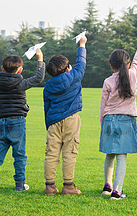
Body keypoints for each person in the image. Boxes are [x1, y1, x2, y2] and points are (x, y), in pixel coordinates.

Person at [0, 49, 45, 195]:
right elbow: (38, 78)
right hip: (17, 122)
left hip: (2, 122)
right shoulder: (20, 83)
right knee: (19, 155)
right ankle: (20, 185)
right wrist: (40, 59)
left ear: (2, 68)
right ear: (20, 70)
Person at [99, 30, 137, 200]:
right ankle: (117, 191)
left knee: (110, 153)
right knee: (122, 155)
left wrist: (103, 123)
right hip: (126, 120)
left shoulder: (107, 81)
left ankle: (107, 186)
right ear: (128, 64)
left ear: (111, 65)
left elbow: (103, 105)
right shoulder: (133, 75)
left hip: (109, 119)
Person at [43, 36, 87, 195]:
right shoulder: (75, 76)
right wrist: (82, 44)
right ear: (68, 67)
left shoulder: (48, 86)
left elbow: (46, 106)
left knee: (51, 153)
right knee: (70, 152)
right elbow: (81, 63)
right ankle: (68, 186)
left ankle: (50, 186)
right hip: (71, 119)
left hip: (53, 121)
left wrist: (48, 124)